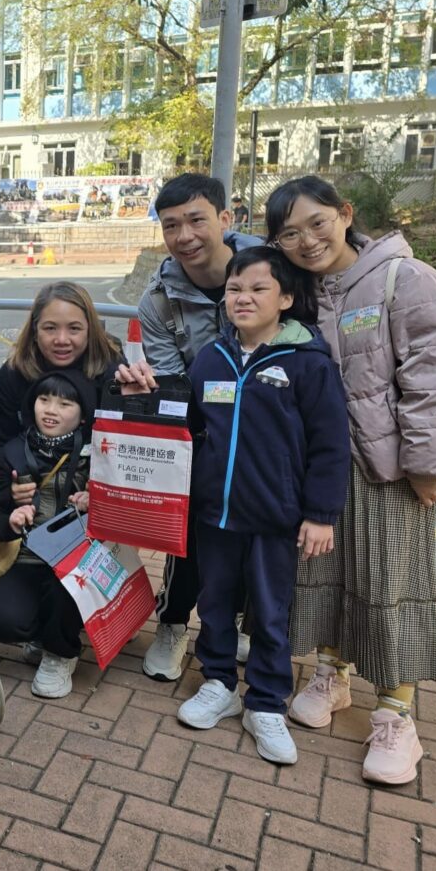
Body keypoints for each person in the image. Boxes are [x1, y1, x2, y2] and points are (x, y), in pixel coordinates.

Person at [266, 176, 436, 785]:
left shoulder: (406, 279)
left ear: (345, 214)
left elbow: (435, 374)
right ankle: (334, 675)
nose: (307, 240)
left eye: (317, 223)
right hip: (320, 465)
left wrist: (427, 464)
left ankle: (396, 715)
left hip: (389, 468)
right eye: (290, 233)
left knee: (388, 584)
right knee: (323, 572)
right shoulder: (301, 292)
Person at [173, 246, 350, 766]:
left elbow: (331, 445)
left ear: (286, 298)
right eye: (234, 289)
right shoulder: (212, 357)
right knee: (215, 601)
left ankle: (266, 702)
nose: (243, 298)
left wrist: (320, 514)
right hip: (216, 514)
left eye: (257, 288)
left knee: (272, 612)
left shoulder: (309, 363)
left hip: (277, 517)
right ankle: (219, 683)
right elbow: (190, 426)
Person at [123, 173, 261, 681]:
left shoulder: (269, 273)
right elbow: (171, 384)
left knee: (256, 532)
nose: (184, 236)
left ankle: (240, 621)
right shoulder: (158, 300)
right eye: (171, 225)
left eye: (196, 220)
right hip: (200, 427)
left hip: (267, 427)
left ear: (226, 219)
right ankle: (174, 621)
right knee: (187, 532)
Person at [0, 370, 94, 699]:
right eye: (44, 400)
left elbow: (127, 513)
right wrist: (9, 521)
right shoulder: (12, 453)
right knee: (4, 620)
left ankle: (61, 653)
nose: (51, 410)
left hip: (80, 561)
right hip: (27, 557)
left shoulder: (98, 457)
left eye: (65, 404)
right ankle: (46, 632)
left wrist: (97, 503)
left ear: (83, 416)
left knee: (65, 589)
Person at [0, 281, 128, 454]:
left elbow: (128, 447)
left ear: (90, 331)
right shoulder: (13, 373)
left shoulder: (113, 373)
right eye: (50, 328)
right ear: (35, 331)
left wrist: (140, 400)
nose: (61, 340)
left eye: (74, 328)